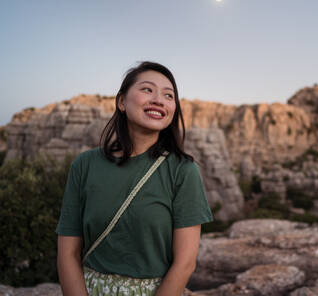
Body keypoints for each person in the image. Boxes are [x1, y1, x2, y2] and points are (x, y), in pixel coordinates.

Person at [56, 62, 214, 296]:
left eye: (168, 95)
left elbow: (185, 263)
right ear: (121, 101)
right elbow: (67, 253)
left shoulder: (183, 170)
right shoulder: (85, 165)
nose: (159, 100)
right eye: (147, 90)